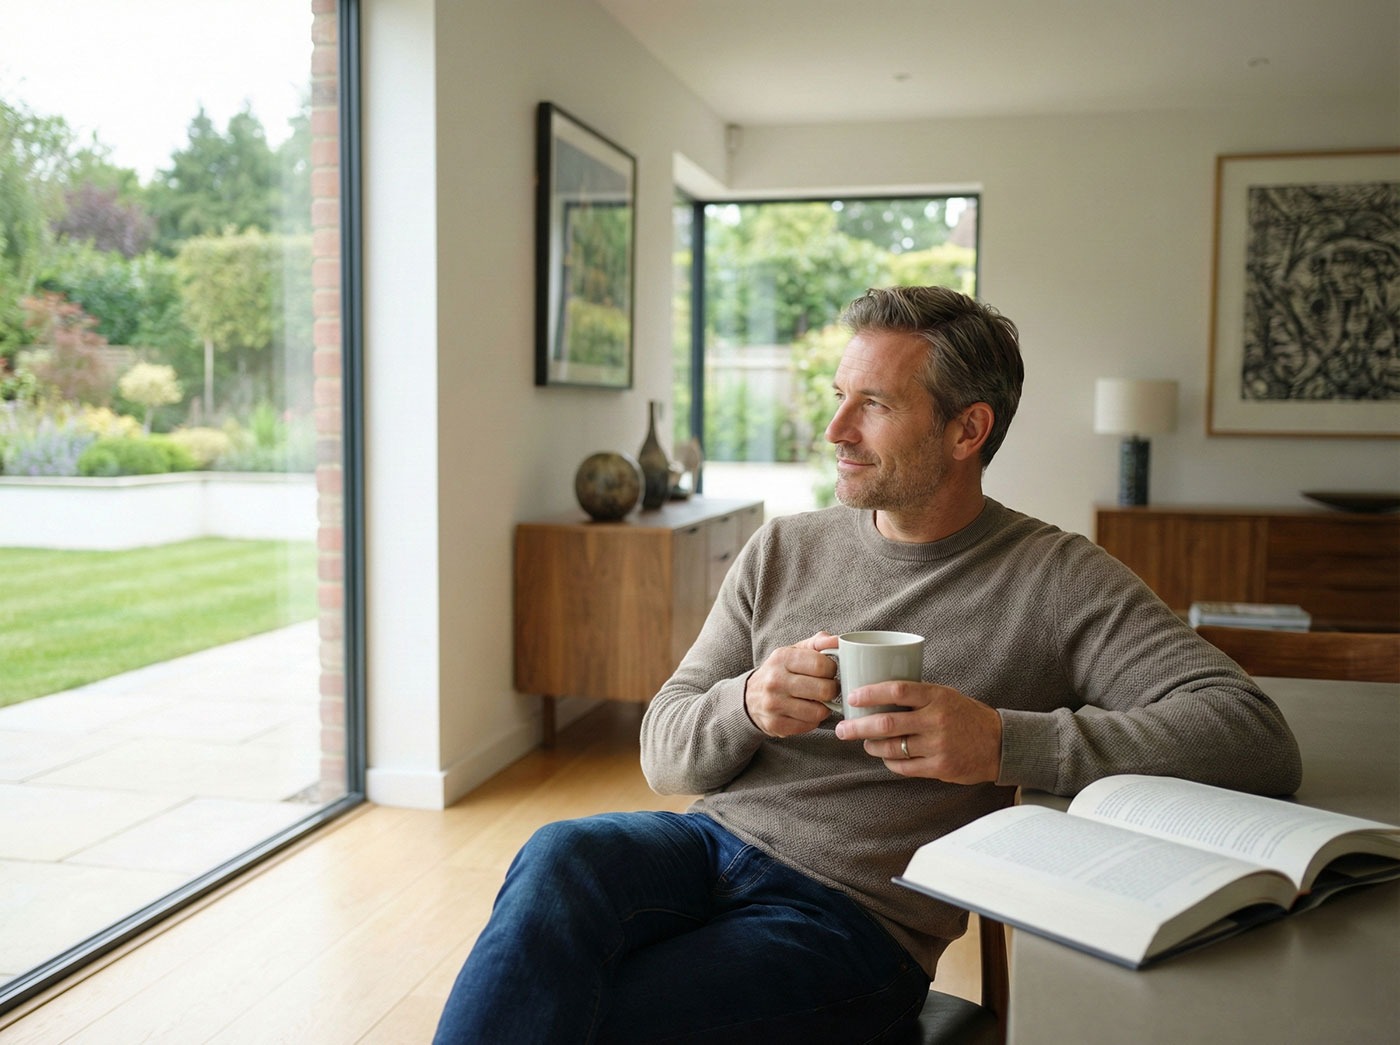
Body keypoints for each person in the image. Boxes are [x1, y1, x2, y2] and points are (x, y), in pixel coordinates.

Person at [433, 285, 1302, 1044]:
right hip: (706, 846)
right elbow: (664, 751)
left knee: (579, 1010)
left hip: (855, 922)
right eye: (839, 396)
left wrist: (1003, 741)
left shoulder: (1059, 578)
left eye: (874, 405)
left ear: (968, 429)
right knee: (561, 852)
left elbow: (1253, 734)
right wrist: (746, 701)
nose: (835, 430)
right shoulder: (782, 548)